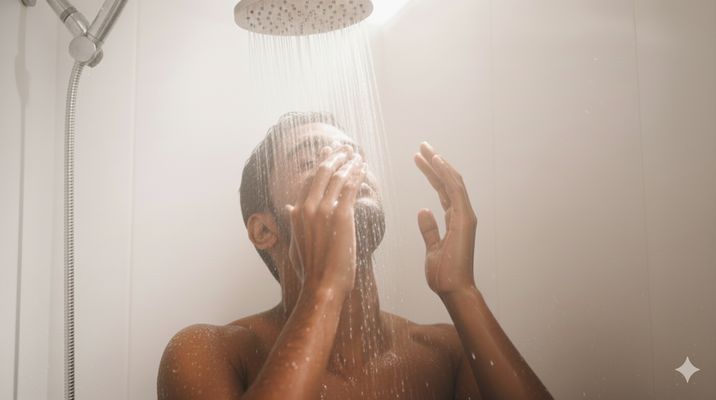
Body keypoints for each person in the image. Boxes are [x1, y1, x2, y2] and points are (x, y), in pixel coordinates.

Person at [157, 112, 553, 400]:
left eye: (352, 156)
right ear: (264, 230)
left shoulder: (445, 352)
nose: (346, 169)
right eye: (312, 161)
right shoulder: (210, 352)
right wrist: (323, 290)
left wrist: (462, 291)